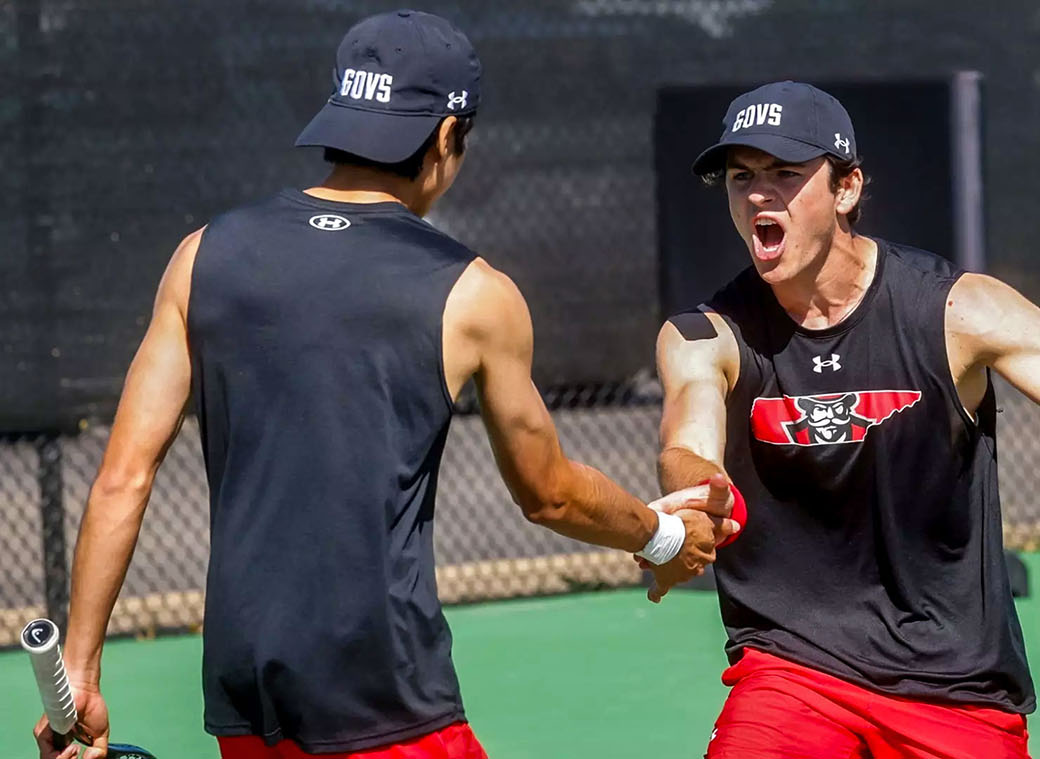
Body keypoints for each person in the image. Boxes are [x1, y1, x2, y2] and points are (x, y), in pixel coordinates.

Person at [35, 11, 736, 759]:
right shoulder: (475, 294)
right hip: (386, 696)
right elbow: (550, 492)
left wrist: (77, 671)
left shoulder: (201, 256)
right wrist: (663, 537)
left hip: (245, 690)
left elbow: (122, 477)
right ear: (445, 138)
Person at [654, 80, 1040, 758]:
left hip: (956, 689)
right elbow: (688, 440)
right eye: (741, 177)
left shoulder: (957, 313)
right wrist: (698, 495)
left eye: (785, 173)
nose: (759, 194)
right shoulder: (705, 334)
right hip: (793, 674)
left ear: (846, 188)